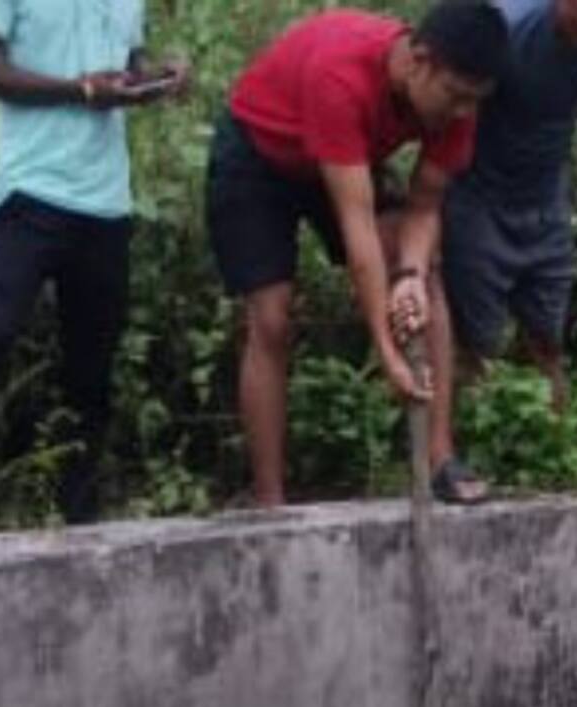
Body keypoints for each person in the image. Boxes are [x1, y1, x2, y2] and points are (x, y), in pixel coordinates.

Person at [0, 0, 190, 555]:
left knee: (92, 368)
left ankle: (80, 513)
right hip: (29, 190)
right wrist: (79, 90)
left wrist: (155, 80)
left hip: (107, 199)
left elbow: (124, 67)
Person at [207, 1, 511, 510]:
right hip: (258, 156)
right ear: (418, 59)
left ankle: (441, 459)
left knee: (426, 278)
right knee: (272, 320)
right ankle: (269, 497)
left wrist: (410, 273)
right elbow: (357, 230)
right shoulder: (340, 76)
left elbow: (426, 203)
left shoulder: (459, 101)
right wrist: (387, 352)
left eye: (474, 101)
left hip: (345, 157)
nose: (462, 113)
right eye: (455, 98)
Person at [440, 0, 577, 458]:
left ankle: (553, 446)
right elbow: (447, 109)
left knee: (547, 336)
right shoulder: (504, 28)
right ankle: (469, 452)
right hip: (478, 195)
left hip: (545, 194)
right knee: (476, 343)